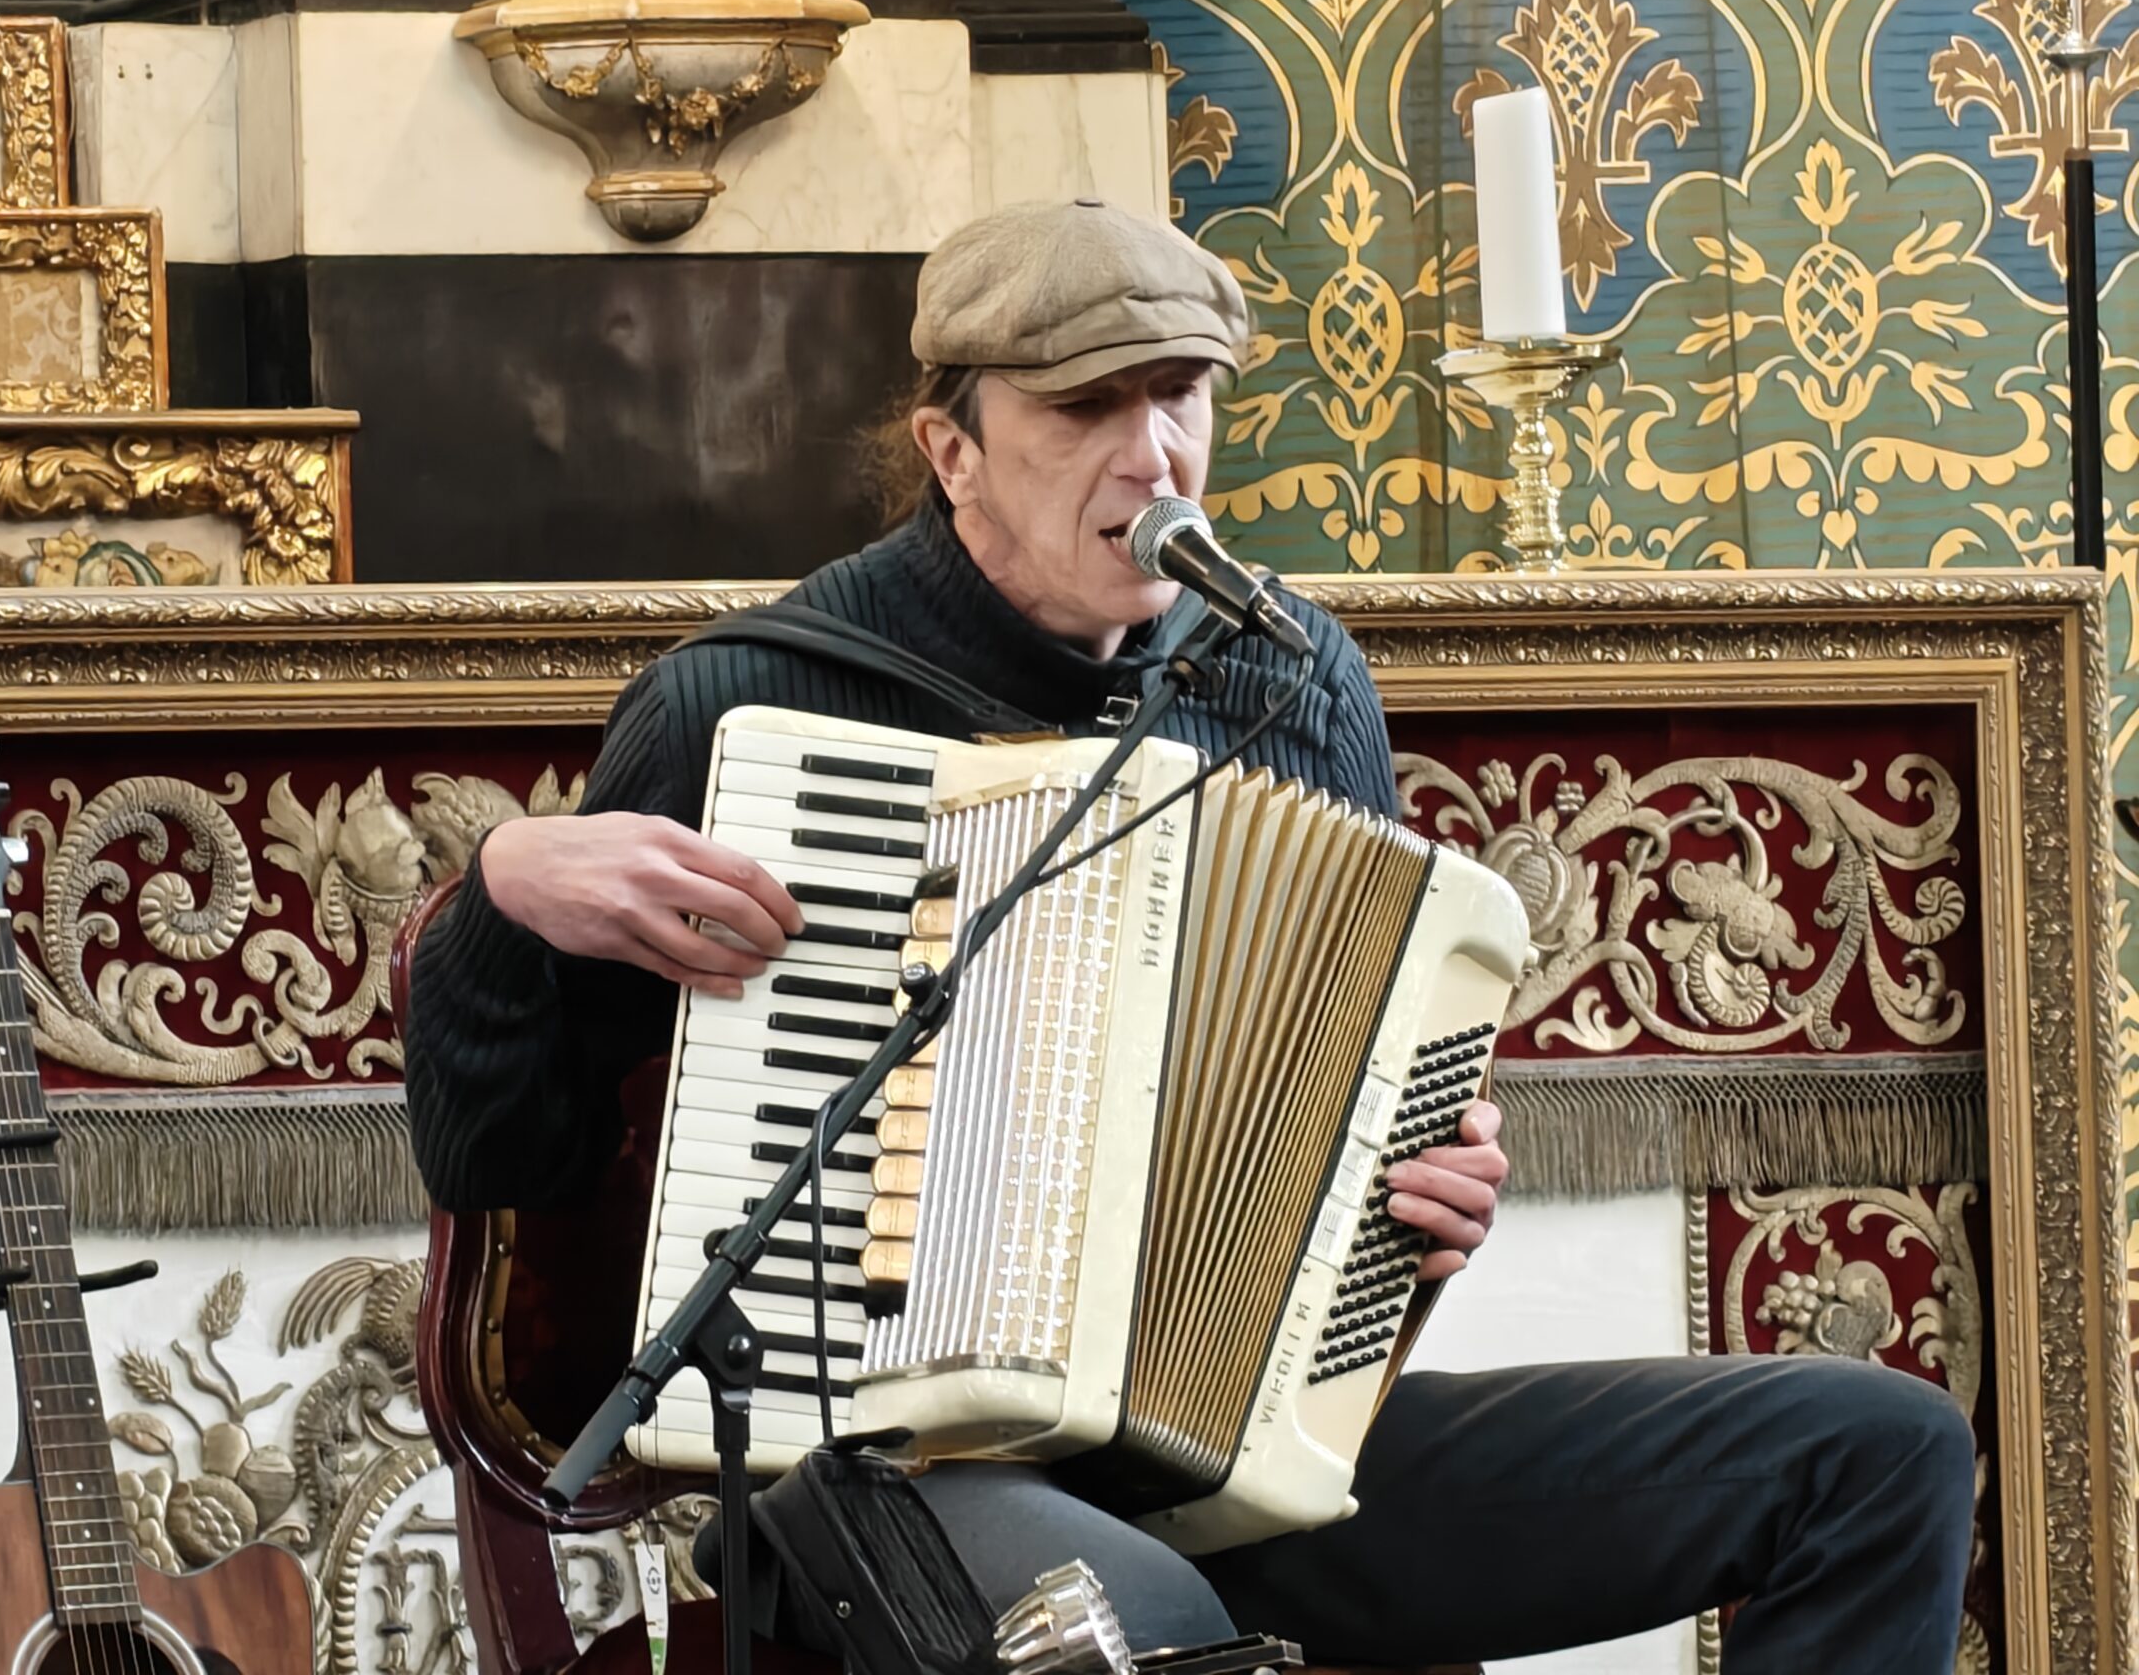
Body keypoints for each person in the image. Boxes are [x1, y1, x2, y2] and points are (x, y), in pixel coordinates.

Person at [405, 199, 1977, 1670]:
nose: (1152, 456)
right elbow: (503, 1163)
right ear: (953, 450)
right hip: (874, 1469)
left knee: (1877, 1453)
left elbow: (1330, 1160)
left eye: (1180, 398)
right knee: (1136, 1619)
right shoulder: (748, 701)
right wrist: (502, 896)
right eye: (1084, 408)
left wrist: (1415, 1205)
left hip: (1235, 1461)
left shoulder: (1290, 682)